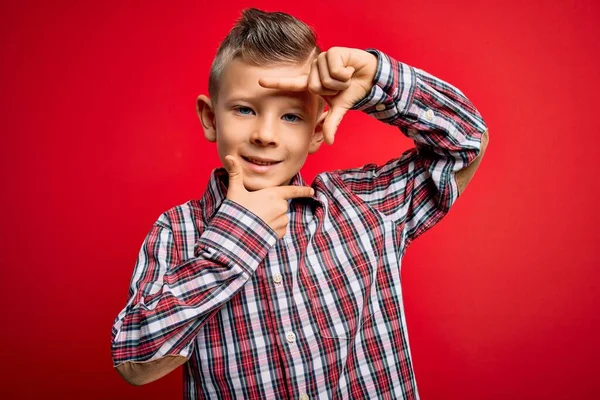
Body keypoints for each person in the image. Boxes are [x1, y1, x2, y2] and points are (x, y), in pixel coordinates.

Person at [111, 7, 489, 399]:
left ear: (316, 130)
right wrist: (236, 240)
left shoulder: (364, 208)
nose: (266, 135)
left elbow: (466, 143)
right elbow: (136, 362)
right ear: (210, 117)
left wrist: (379, 78)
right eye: (245, 109)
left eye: (291, 116)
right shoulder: (177, 232)